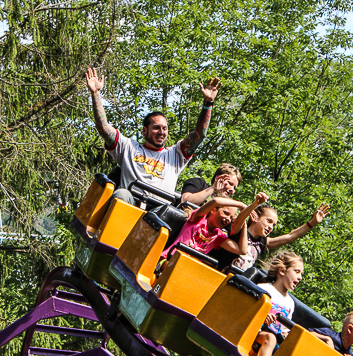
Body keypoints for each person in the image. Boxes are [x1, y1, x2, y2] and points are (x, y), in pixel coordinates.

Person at [85, 66, 221, 202]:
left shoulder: (175, 154)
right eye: (156, 128)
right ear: (145, 131)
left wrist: (208, 103)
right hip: (130, 205)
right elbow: (103, 128)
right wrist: (95, 93)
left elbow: (199, 135)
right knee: (121, 194)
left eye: (165, 128)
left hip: (159, 212)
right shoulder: (128, 148)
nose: (161, 132)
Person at [213, 203, 330, 273]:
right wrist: (254, 205)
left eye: (273, 225)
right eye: (269, 221)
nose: (271, 227)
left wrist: (312, 223)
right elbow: (240, 219)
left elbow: (290, 237)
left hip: (238, 280)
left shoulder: (262, 242)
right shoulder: (239, 230)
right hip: (222, 272)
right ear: (255, 217)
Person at [160, 193, 268, 259]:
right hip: (169, 259)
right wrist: (240, 204)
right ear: (213, 210)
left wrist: (244, 222)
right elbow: (215, 201)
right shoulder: (197, 219)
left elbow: (242, 250)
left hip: (188, 269)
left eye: (231, 217)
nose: (228, 219)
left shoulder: (218, 237)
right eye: (225, 213)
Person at [251, 251, 304, 356]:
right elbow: (249, 312)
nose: (300, 277)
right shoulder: (263, 289)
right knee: (270, 338)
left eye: (301, 274)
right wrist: (262, 317)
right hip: (255, 334)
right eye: (297, 272)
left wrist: (286, 334)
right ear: (282, 270)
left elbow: (285, 328)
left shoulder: (290, 303)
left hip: (274, 340)